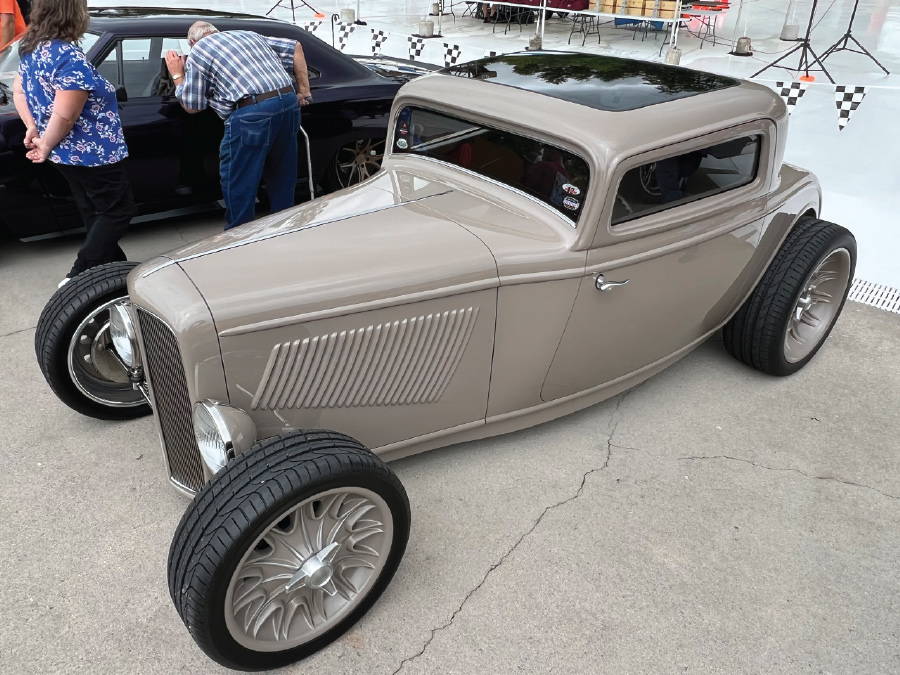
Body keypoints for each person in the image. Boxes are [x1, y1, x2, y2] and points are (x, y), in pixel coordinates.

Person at [13, 0, 134, 288]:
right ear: (75, 15)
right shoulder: (69, 58)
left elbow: (20, 90)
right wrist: (43, 144)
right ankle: (79, 274)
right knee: (118, 211)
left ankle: (113, 270)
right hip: (94, 155)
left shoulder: (31, 48)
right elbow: (66, 115)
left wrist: (33, 128)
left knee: (94, 211)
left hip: (65, 154)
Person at [164, 21, 312, 230]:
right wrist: (304, 91)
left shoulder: (200, 51)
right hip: (288, 103)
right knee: (281, 173)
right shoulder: (248, 34)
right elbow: (295, 47)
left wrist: (178, 75)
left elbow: (192, 106)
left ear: (192, 42)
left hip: (252, 112)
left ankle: (239, 234)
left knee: (239, 178)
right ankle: (284, 228)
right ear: (216, 32)